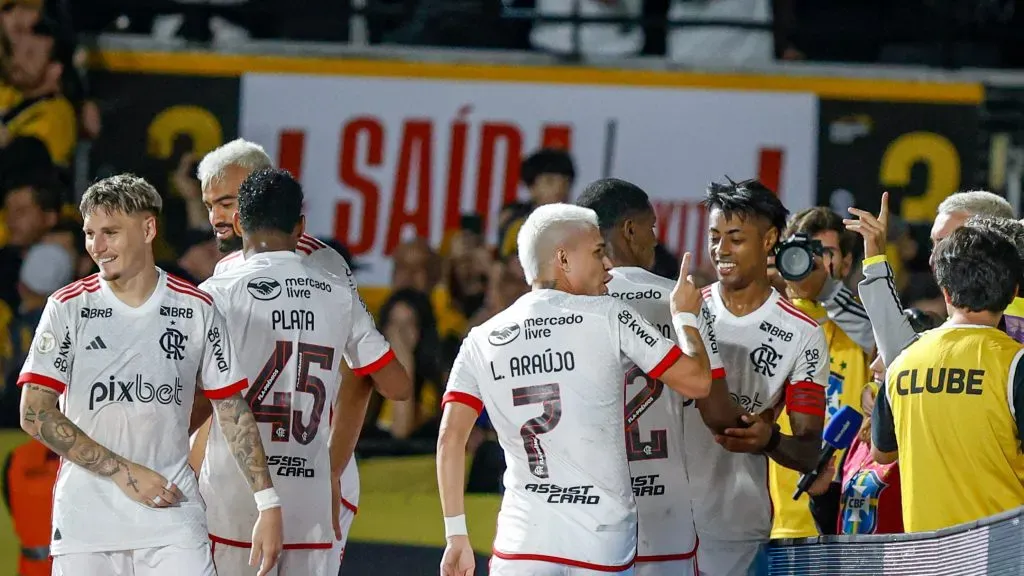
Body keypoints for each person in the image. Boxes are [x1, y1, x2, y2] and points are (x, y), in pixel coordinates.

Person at [15, 174, 283, 575]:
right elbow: (34, 414)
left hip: (172, 518)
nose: (97, 247)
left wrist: (268, 502)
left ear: (148, 228)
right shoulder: (67, 307)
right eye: (90, 233)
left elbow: (230, 409)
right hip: (87, 525)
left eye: (110, 232)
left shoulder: (197, 308)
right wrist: (123, 472)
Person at [437, 203, 713, 576]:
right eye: (599, 252)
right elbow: (697, 381)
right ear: (563, 259)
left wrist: (456, 536)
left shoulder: (481, 338)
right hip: (599, 542)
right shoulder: (609, 315)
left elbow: (450, 439)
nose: (609, 265)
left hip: (522, 545)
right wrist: (684, 317)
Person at [191, 139, 412, 567]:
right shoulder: (230, 270)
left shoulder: (322, 266)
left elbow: (359, 379)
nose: (216, 217)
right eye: (208, 205)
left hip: (303, 468)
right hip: (265, 471)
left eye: (225, 202)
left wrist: (330, 470)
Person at [577, 178, 731, 576]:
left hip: (587, 519)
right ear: (629, 229)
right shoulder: (679, 300)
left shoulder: (568, 308)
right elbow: (717, 415)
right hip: (665, 517)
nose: (654, 238)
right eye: (651, 227)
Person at [686, 179, 829, 576]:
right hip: (665, 515)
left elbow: (807, 451)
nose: (720, 250)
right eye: (715, 237)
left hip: (737, 521)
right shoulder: (686, 309)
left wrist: (769, 439)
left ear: (769, 241)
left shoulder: (803, 332)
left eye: (735, 238)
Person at [872, 226, 1024, 532]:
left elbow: (882, 450)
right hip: (1003, 554)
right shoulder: (1015, 364)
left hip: (927, 555)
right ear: (1013, 292)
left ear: (944, 289)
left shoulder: (903, 361)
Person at [768, 208, 872, 539]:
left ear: (845, 262)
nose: (810, 262)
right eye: (803, 252)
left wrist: (825, 290)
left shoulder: (862, 326)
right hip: (781, 523)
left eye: (824, 253)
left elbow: (889, 341)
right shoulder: (767, 320)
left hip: (847, 520)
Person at [846, 190, 1015, 365]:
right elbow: (901, 358)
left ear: (992, 245)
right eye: (933, 244)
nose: (933, 258)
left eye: (946, 243)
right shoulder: (940, 332)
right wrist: (875, 260)